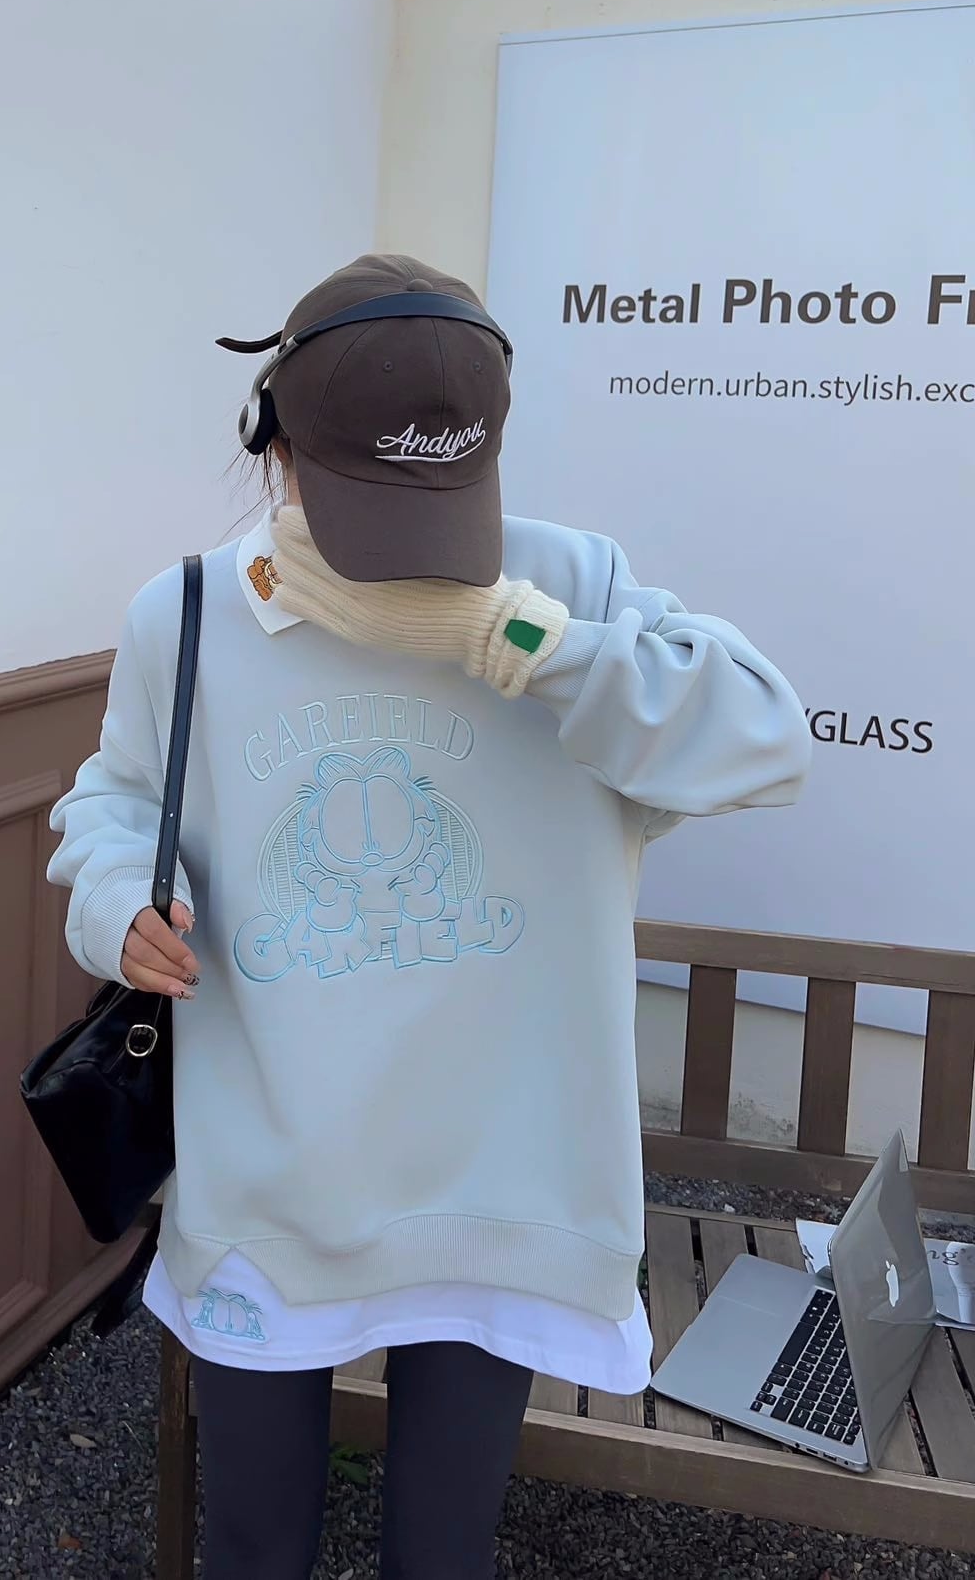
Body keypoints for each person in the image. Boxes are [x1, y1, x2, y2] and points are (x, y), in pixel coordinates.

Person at [47, 252, 812, 1580]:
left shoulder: (567, 578)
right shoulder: (188, 614)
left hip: (505, 1182)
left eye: (437, 502)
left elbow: (764, 740)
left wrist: (518, 642)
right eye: (366, 501)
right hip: (273, 1171)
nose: (405, 551)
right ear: (275, 444)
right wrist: (120, 900)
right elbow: (111, 800)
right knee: (252, 1543)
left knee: (444, 1553)